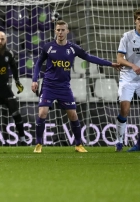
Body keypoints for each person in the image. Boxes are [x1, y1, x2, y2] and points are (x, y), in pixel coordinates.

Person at [31, 20, 121, 153]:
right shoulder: (48, 47)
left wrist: (110, 64)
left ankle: (78, 144)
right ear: (55, 31)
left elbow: (89, 57)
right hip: (48, 86)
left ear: (67, 31)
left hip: (64, 87)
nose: (60, 32)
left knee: (73, 115)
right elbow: (38, 63)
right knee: (42, 113)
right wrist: (34, 80)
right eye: (58, 30)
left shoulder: (73, 48)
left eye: (63, 30)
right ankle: (38, 144)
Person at [115, 9, 140, 152]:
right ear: (135, 21)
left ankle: (139, 145)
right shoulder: (127, 37)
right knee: (124, 109)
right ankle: (119, 141)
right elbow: (119, 58)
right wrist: (132, 65)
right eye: (139, 19)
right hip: (128, 77)